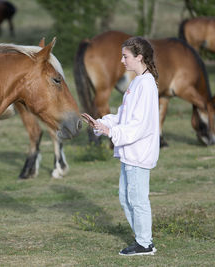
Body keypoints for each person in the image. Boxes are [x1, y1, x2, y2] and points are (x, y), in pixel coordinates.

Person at [81, 36, 160, 256]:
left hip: (138, 152)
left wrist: (112, 132)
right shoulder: (137, 82)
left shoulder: (146, 85)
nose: (122, 61)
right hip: (130, 153)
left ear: (139, 57)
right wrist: (102, 123)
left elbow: (139, 125)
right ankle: (143, 240)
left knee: (137, 198)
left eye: (125, 56)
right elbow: (125, 117)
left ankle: (145, 243)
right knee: (126, 198)